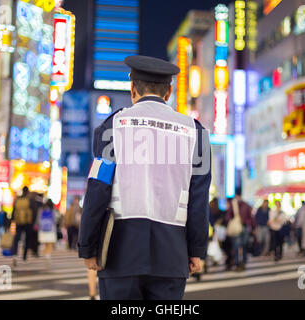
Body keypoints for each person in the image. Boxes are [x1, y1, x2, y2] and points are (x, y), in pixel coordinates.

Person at [78, 55, 211, 300]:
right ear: (169, 91)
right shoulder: (196, 133)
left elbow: (98, 188)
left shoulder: (112, 127)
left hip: (120, 252)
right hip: (173, 253)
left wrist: (87, 245)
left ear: (133, 89)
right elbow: (199, 199)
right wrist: (196, 250)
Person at [225, 188, 255, 271]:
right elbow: (250, 217)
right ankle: (239, 263)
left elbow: (228, 216)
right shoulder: (243, 204)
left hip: (243, 227)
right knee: (238, 246)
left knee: (241, 245)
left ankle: (242, 263)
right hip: (241, 227)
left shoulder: (237, 204)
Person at [11, 186, 33, 266]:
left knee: (17, 238)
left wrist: (12, 221)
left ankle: (15, 255)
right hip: (28, 222)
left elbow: (13, 211)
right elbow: (33, 211)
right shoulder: (30, 200)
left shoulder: (17, 199)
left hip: (19, 221)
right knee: (27, 239)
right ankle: (24, 256)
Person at [36, 199, 58, 265]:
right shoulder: (53, 210)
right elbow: (55, 220)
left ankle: (46, 254)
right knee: (50, 244)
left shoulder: (41, 210)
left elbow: (38, 219)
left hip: (42, 229)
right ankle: (48, 255)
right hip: (51, 229)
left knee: (45, 243)